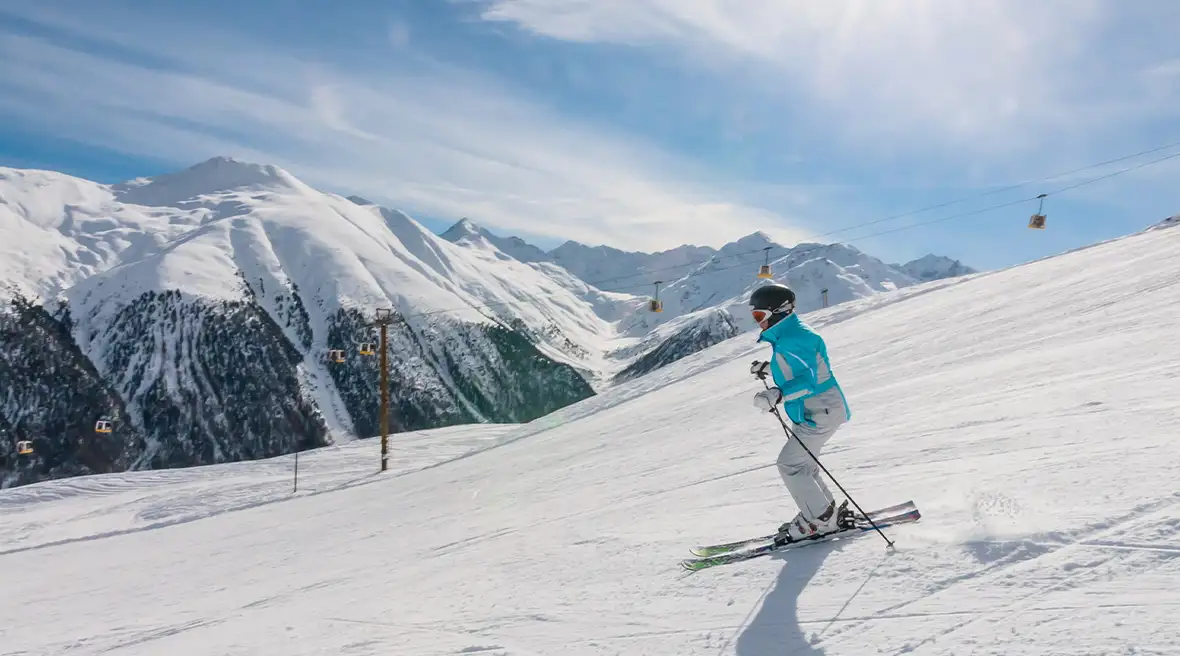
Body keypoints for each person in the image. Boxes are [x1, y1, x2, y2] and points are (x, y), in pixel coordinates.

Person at [748, 283, 854, 541]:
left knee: (790, 464)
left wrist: (778, 394)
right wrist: (769, 368)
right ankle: (825, 513)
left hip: (820, 409)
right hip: (816, 409)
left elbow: (810, 380)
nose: (757, 322)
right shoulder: (789, 336)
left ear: (779, 312)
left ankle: (820, 520)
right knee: (804, 465)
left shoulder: (795, 338)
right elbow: (797, 368)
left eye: (759, 316)